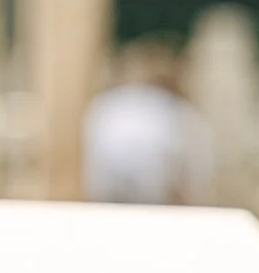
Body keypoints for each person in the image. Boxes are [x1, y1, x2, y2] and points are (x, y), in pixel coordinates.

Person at [81, 39, 213, 206]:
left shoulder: (104, 105)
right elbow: (193, 175)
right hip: (155, 200)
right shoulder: (179, 112)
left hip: (106, 199)